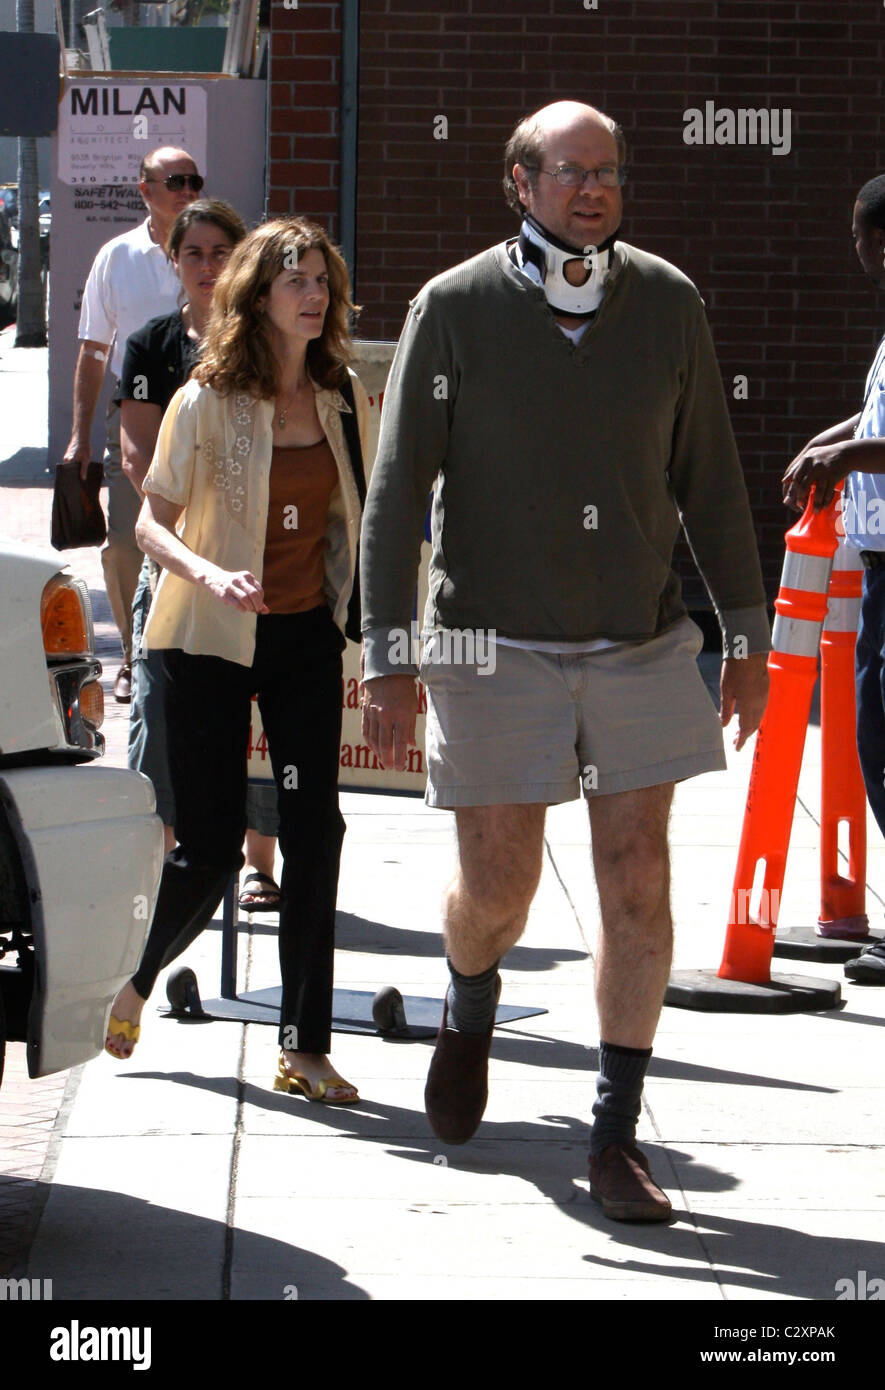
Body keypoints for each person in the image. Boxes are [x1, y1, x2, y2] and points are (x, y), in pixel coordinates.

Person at [359, 101, 770, 1220]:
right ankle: (468, 998)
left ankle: (615, 1134)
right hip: (490, 643)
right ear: (519, 183)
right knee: (499, 887)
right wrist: (390, 653)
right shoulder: (453, 308)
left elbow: (716, 484)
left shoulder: (669, 304)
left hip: (639, 640)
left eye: (610, 173)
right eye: (569, 171)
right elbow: (397, 494)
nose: (592, 189)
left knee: (638, 880)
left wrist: (746, 637)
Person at [105, 217, 369, 1105]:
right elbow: (150, 524)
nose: (313, 295)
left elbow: (361, 516)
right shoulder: (204, 398)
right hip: (205, 638)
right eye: (295, 280)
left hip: (299, 637)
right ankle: (134, 982)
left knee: (314, 835)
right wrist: (211, 572)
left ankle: (304, 1045)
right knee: (211, 849)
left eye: (322, 282)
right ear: (256, 296)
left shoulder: (341, 397)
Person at [118, 198, 282, 904]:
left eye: (222, 252)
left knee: (263, 725)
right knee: (160, 723)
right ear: (174, 261)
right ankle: (157, 876)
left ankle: (259, 865)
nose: (208, 266)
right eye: (194, 254)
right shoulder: (154, 345)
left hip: (259, 573)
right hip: (180, 561)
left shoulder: (274, 346)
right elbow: (140, 457)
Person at [783, 173, 885, 985]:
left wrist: (846, 456)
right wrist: (833, 438)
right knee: (870, 735)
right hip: (877, 558)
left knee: (878, 739)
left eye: (857, 236)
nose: (854, 252)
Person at [62, 146, 203, 702]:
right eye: (175, 181)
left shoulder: (220, 250)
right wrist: (80, 436)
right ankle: (130, 653)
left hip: (209, 407)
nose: (187, 189)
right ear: (145, 190)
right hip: (139, 412)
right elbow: (95, 351)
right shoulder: (115, 258)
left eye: (194, 179)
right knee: (125, 541)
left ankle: (196, 650)